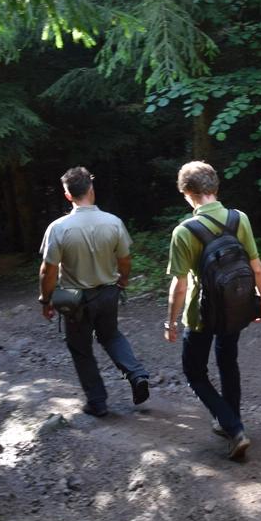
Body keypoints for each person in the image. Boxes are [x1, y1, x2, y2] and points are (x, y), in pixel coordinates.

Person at [164, 161, 261, 460]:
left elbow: (180, 285)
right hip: (236, 306)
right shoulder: (239, 219)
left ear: (188, 193)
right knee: (228, 361)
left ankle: (234, 428)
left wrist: (170, 321)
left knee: (194, 372)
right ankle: (231, 421)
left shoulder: (185, 231)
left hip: (201, 314)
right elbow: (256, 266)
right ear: (215, 188)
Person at [39, 166, 151, 417]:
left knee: (80, 348)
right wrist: (123, 280)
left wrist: (45, 300)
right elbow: (125, 260)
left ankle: (98, 402)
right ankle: (137, 374)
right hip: (109, 293)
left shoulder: (58, 228)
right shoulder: (113, 222)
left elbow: (47, 271)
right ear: (91, 188)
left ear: (68, 195)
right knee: (111, 336)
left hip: (75, 301)